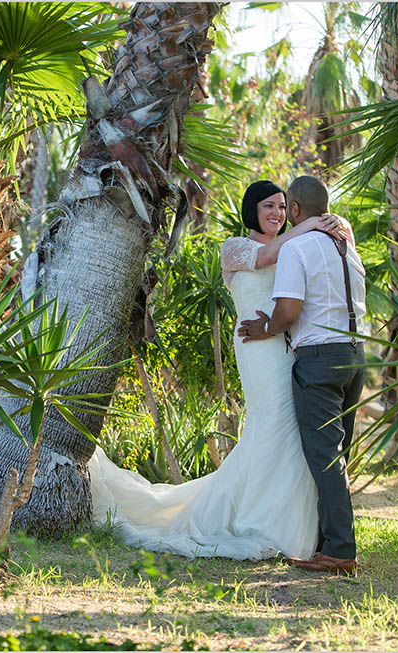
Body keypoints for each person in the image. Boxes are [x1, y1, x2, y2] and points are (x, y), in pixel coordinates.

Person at [86, 180, 348, 561]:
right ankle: (256, 521)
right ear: (252, 211)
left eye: (281, 207)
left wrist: (322, 225)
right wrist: (313, 223)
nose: (276, 213)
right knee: (272, 423)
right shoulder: (236, 248)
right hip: (257, 348)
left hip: (288, 345)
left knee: (291, 434)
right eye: (268, 207)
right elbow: (264, 257)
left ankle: (292, 523)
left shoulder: (300, 245)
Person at [238, 175, 367, 575]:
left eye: (285, 207)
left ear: (295, 210)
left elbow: (289, 310)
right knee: (337, 451)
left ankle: (340, 549)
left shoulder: (297, 247)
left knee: (325, 456)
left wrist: (266, 328)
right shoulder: (347, 246)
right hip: (357, 354)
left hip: (319, 357)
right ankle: (328, 540)